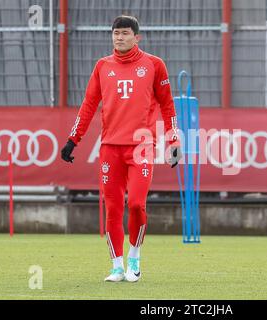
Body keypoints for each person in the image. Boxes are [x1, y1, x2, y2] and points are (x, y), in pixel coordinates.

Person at [61, 15, 181, 282]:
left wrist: (174, 140)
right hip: (110, 148)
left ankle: (134, 258)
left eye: (125, 33)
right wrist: (73, 139)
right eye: (116, 33)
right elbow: (88, 105)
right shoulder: (102, 66)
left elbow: (168, 106)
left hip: (142, 146)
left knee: (137, 204)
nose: (119, 37)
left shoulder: (154, 65)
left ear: (137, 37)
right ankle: (116, 266)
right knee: (112, 208)